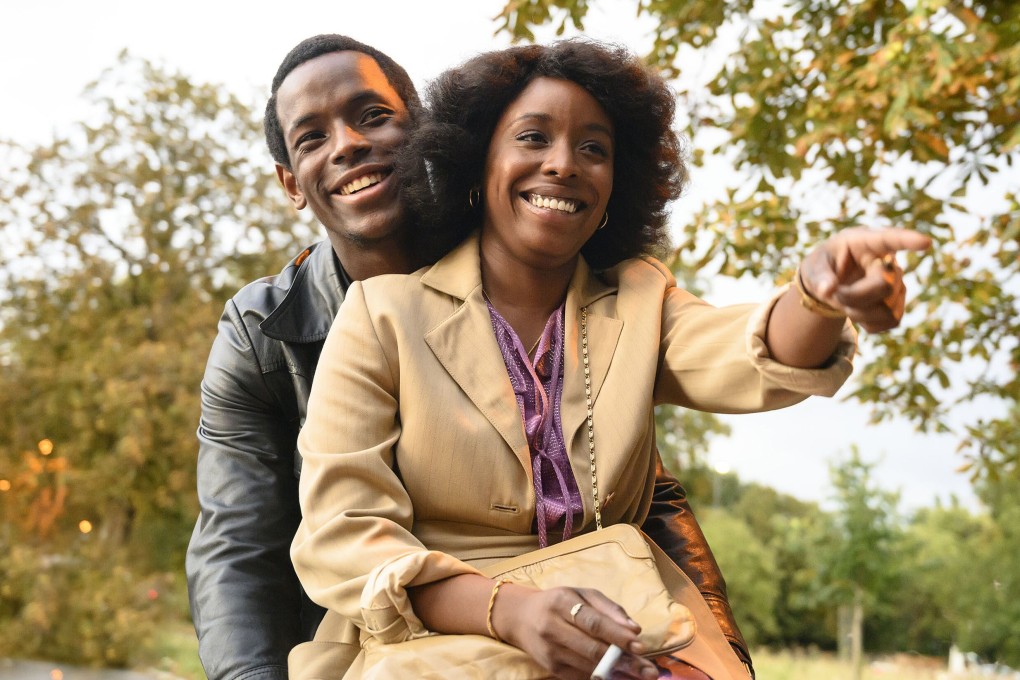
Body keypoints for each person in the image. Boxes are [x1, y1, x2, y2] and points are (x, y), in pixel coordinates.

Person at [291, 39, 931, 679]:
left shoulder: (640, 298)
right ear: (475, 165)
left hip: (630, 623)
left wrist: (815, 295)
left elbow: (744, 353)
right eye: (533, 138)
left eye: (593, 148)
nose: (564, 164)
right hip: (437, 640)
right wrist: (508, 610)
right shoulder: (382, 314)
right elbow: (345, 534)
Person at [185, 34, 755, 680]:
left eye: (373, 116)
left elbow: (642, 488)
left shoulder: (527, 262)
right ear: (291, 183)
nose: (346, 144)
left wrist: (721, 654)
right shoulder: (258, 335)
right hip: (375, 631)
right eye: (312, 138)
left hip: (580, 616)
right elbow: (238, 547)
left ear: (425, 132)